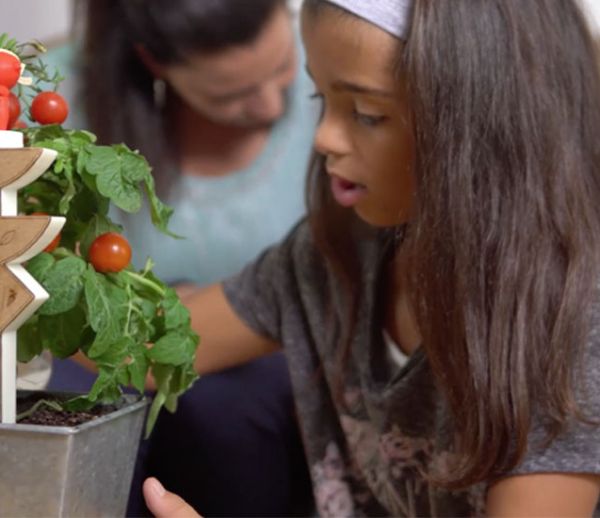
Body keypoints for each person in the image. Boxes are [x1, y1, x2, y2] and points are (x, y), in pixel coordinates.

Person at [141, 0, 600, 515]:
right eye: (320, 97)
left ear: (486, 124)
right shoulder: (334, 254)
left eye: (367, 113)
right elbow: (154, 347)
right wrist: (42, 253)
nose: (323, 138)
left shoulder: (572, 327)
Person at [43, 0, 317, 515]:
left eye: (282, 67)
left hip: (254, 378)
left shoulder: (333, 80)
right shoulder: (54, 99)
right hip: (112, 355)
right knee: (78, 399)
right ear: (153, 63)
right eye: (228, 94)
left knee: (227, 407)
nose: (271, 105)